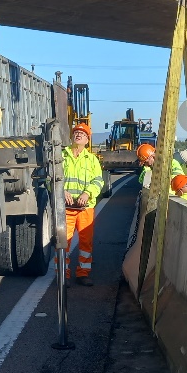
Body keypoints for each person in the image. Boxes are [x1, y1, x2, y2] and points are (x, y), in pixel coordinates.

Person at [62, 122, 103, 286]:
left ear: (87, 140)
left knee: (86, 243)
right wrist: (61, 191)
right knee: (63, 242)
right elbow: (51, 178)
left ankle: (83, 274)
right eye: (76, 132)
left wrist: (87, 193)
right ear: (72, 137)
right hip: (65, 208)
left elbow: (98, 181)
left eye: (83, 134)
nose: (79, 135)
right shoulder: (61, 156)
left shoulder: (92, 160)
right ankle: (63, 276)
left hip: (85, 209)